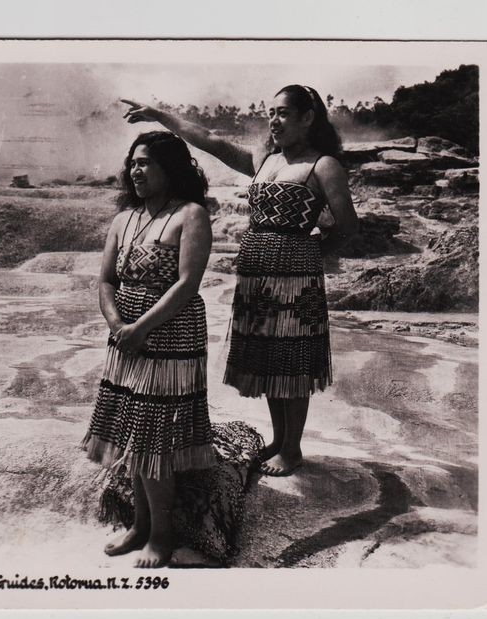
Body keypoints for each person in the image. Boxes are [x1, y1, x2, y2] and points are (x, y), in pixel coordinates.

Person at [122, 85, 359, 477]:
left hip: (296, 281)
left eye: (283, 113)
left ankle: (293, 448)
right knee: (268, 358)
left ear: (308, 117)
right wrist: (160, 116)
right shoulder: (264, 159)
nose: (274, 121)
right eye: (271, 113)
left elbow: (349, 226)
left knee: (292, 363)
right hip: (255, 276)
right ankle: (279, 439)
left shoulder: (324, 166)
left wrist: (311, 255)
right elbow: (211, 140)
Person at [83, 130, 216, 568]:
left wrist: (141, 327)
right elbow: (105, 281)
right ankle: (139, 526)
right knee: (132, 432)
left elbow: (186, 284)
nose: (135, 171)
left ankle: (162, 534)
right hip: (126, 337)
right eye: (133, 162)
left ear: (170, 169)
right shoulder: (124, 220)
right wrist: (119, 324)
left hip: (170, 335)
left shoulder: (191, 214)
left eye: (146, 163)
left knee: (154, 437)